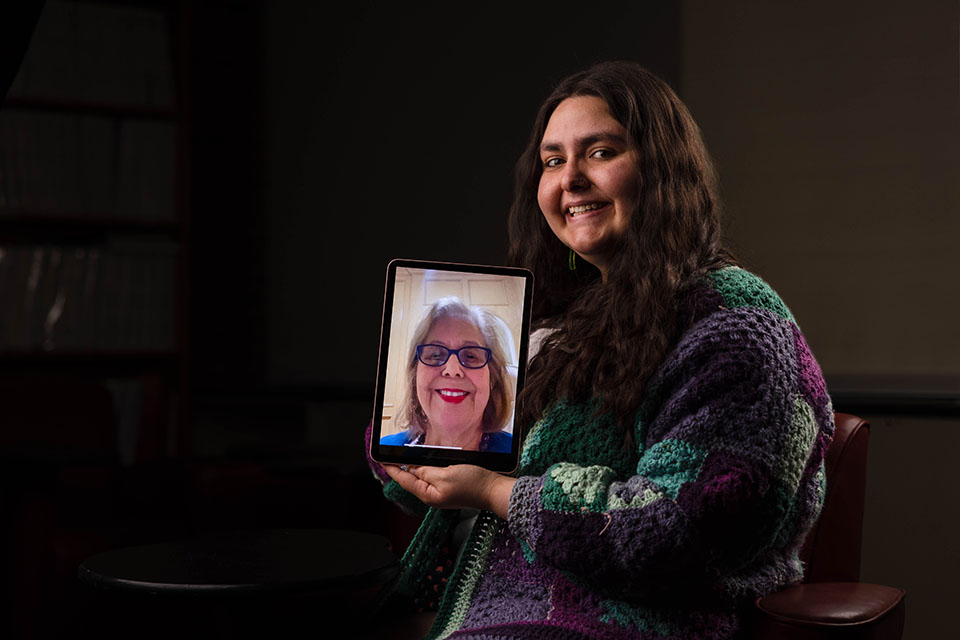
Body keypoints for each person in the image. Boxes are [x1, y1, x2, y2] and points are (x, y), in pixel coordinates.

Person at [365, 60, 834, 639]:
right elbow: (450, 475)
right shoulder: (557, 325)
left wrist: (493, 492)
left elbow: (678, 527)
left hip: (631, 624)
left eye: (601, 152)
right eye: (553, 160)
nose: (570, 179)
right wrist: (414, 438)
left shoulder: (735, 322)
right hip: (487, 609)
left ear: (663, 172)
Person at [379, 297, 514, 453]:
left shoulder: (520, 456)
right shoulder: (385, 452)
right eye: (435, 355)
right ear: (415, 374)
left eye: (470, 356)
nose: (452, 369)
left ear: (492, 378)